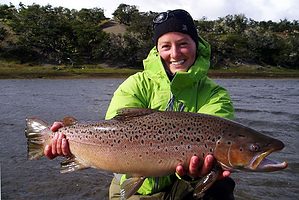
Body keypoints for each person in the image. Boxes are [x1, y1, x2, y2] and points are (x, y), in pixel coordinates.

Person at [45, 9, 235, 200]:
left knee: (220, 186)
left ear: (196, 44)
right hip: (135, 188)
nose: (175, 53)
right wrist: (67, 139)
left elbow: (219, 133)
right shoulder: (135, 84)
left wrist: (197, 174)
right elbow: (114, 128)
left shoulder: (214, 94)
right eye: (166, 46)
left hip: (183, 187)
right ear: (157, 49)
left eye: (183, 44)